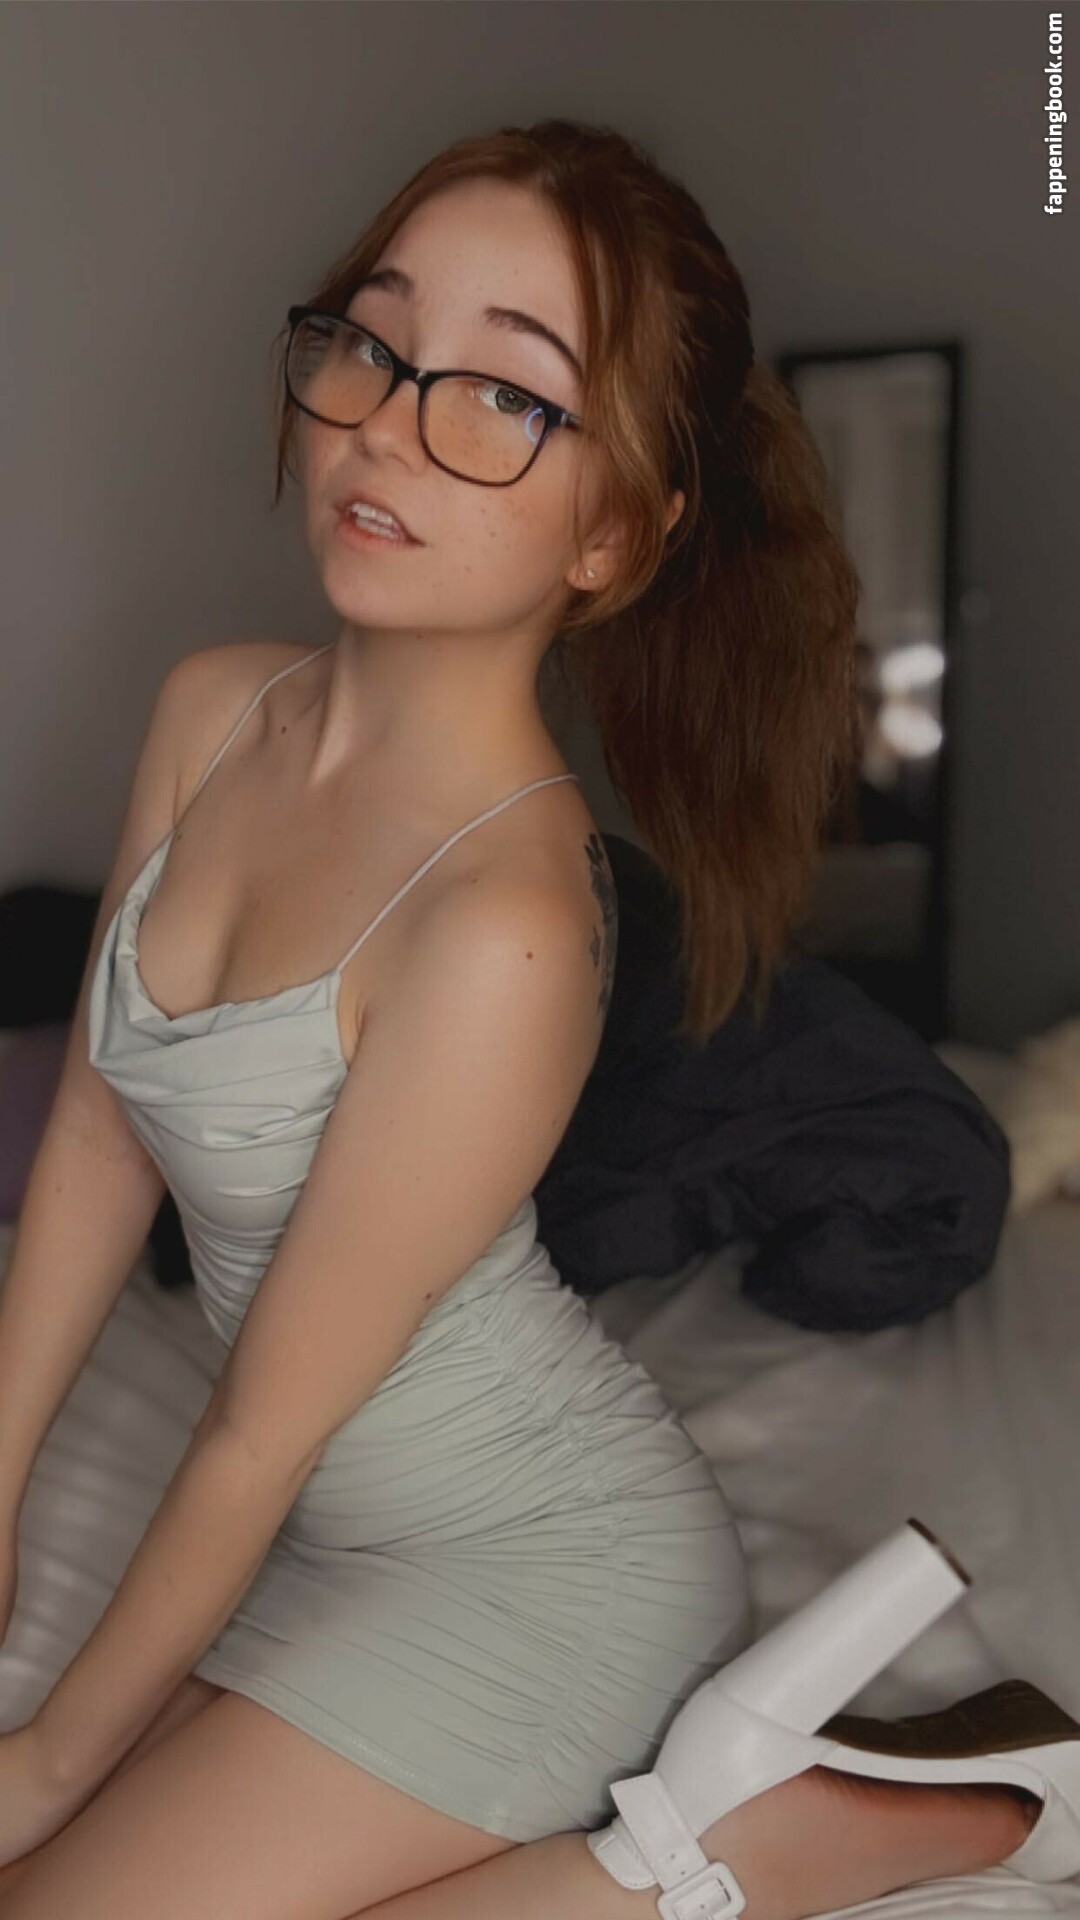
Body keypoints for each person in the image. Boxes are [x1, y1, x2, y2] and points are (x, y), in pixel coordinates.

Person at [0, 117, 1075, 1920]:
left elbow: (259, 1426)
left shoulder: (510, 924)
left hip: (541, 1572)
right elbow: (102, 1135)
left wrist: (48, 1758)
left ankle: (778, 1836)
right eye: (376, 339)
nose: (387, 423)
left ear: (617, 533)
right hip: (335, 1546)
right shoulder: (212, 712)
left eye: (507, 394)